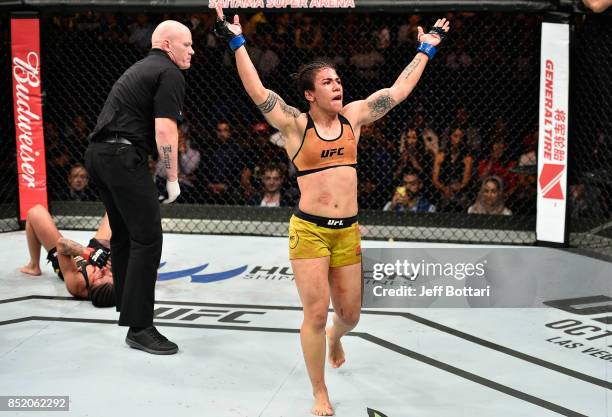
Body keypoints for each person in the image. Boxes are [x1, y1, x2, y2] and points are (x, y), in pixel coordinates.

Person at [214, 7, 449, 415]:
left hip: (348, 230)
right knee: (316, 314)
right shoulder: (293, 124)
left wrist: (426, 50)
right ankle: (319, 391)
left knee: (351, 315)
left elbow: (397, 92)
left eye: (338, 80)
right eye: (327, 82)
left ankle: (337, 339)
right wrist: (237, 41)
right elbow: (256, 90)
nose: (337, 86)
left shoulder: (354, 117)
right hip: (310, 231)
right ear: (310, 94)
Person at [85, 20, 194, 355]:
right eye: (186, 44)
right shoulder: (169, 72)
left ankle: (127, 304)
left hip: (98, 155)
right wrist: (171, 176)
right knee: (147, 239)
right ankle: (140, 327)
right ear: (166, 44)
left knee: (125, 236)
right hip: (120, 155)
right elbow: (165, 131)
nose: (192, 51)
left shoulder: (141, 69)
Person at [20, 205, 115, 307]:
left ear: (93, 285)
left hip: (68, 257)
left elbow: (61, 244)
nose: (104, 270)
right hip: (99, 255)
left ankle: (34, 266)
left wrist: (88, 253)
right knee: (115, 206)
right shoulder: (113, 283)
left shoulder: (77, 284)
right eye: (110, 275)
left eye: (101, 275)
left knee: (36, 212)